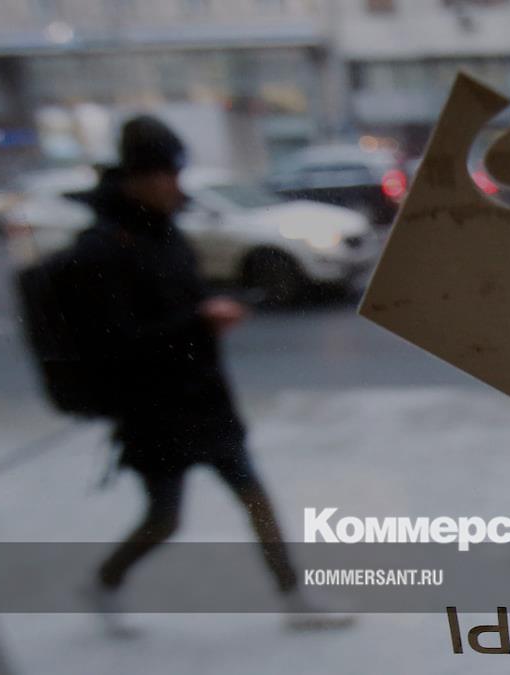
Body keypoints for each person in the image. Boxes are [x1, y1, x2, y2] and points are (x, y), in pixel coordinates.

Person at [77, 116, 349, 634]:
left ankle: (294, 597)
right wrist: (198, 320)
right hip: (153, 414)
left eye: (175, 174)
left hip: (203, 401)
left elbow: (184, 296)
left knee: (255, 496)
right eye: (164, 175)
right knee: (165, 517)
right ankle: (105, 582)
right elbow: (117, 341)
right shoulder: (106, 247)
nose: (173, 186)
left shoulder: (164, 230)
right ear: (137, 178)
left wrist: (208, 310)